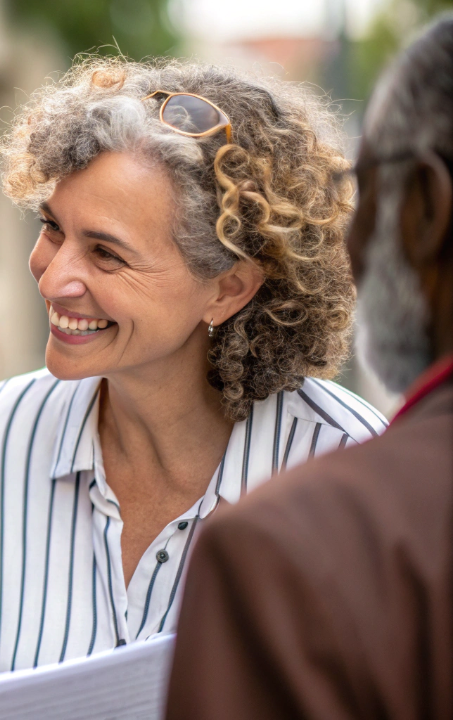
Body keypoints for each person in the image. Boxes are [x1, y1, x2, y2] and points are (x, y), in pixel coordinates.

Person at [0, 57, 389, 713]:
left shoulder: (353, 479)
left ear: (229, 288)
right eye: (53, 228)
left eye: (106, 253)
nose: (53, 280)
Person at [165, 17, 453, 719]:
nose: (54, 277)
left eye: (364, 185)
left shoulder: (299, 547)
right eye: (52, 228)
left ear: (422, 207)